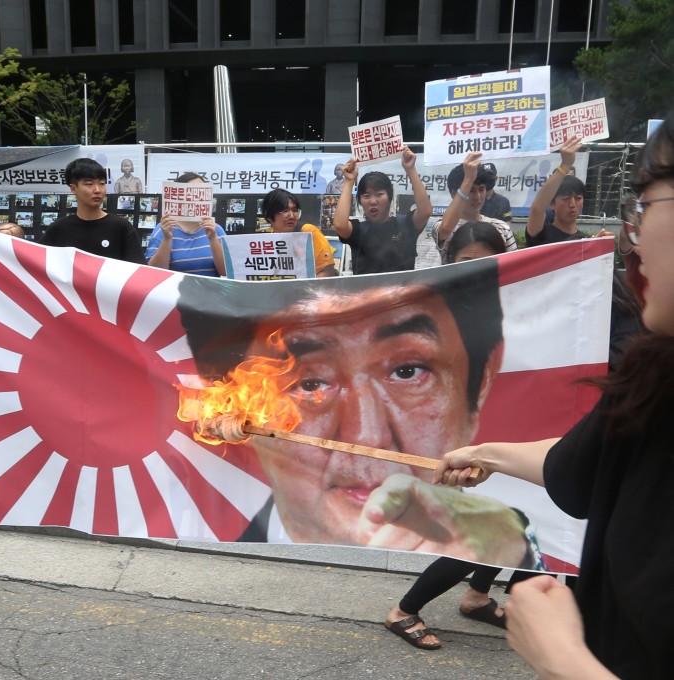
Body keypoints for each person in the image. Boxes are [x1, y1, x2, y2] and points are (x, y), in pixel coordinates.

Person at [433, 111, 674, 680]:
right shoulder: (655, 372)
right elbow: (579, 465)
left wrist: (563, 658)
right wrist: (485, 454)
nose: (633, 234)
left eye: (648, 202)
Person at [176, 260, 536, 567]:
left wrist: (518, 551)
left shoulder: (512, 542)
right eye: (311, 384)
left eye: (408, 371)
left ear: (481, 380)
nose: (367, 435)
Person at [384, 220, 510, 650]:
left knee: (526, 517)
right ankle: (404, 610)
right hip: (459, 432)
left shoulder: (515, 305)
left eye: (487, 263)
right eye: (465, 263)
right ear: (449, 264)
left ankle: (477, 596)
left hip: (510, 428)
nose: (476, 271)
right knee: (484, 530)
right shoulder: (435, 311)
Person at [333, 147, 433, 274]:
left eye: (379, 194)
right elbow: (340, 225)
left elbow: (425, 211)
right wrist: (349, 181)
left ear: (390, 196)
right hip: (367, 293)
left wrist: (410, 170)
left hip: (402, 293)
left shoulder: (406, 225)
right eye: (366, 196)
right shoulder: (358, 230)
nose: (373, 201)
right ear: (359, 201)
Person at [40, 158, 144, 264]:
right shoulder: (58, 229)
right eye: (89, 184)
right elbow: (38, 263)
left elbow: (139, 271)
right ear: (73, 188)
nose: (97, 190)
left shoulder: (121, 228)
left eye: (102, 183)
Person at [525, 137, 613, 246]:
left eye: (578, 198)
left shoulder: (585, 241)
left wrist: (595, 244)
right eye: (566, 198)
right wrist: (565, 165)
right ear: (552, 204)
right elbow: (537, 209)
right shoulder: (541, 235)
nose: (572, 204)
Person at [434, 153, 517, 264]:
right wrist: (468, 178)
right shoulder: (442, 227)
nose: (478, 197)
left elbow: (513, 265)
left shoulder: (502, 228)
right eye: (471, 190)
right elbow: (445, 229)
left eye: (482, 189)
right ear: (454, 193)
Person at [145, 172, 226, 276]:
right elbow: (154, 274)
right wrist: (167, 239)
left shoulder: (216, 229)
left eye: (200, 191)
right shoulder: (163, 230)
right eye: (190, 192)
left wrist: (213, 238)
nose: (195, 198)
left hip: (212, 291)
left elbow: (227, 272)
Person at [260, 188, 338, 276]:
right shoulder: (268, 241)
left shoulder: (308, 232)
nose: (292, 216)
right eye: (285, 211)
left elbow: (327, 272)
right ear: (269, 216)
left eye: (294, 210)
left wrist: (298, 288)